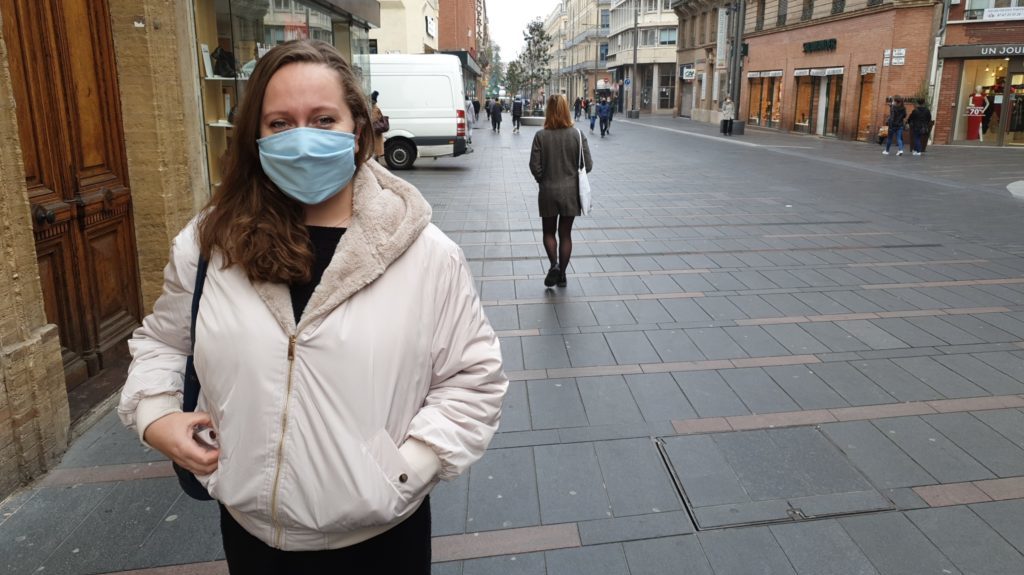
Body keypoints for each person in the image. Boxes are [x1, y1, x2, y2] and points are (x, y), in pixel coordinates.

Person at [119, 39, 507, 573]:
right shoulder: (210, 246)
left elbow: (473, 379)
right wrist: (155, 415)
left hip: (382, 542)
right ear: (255, 137)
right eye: (279, 124)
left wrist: (401, 472)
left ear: (358, 131)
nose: (302, 139)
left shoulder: (427, 255)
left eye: (323, 119)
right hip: (251, 537)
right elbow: (163, 340)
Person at [529, 94, 592, 288]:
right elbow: (587, 165)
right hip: (570, 193)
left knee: (548, 232)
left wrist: (543, 179)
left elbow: (534, 166)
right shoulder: (578, 135)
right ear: (566, 110)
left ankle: (554, 265)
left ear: (548, 111)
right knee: (565, 234)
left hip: (548, 191)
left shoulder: (541, 136)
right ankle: (562, 275)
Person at [370, 90, 386, 161]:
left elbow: (373, 120)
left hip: (375, 133)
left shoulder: (375, 109)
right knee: (374, 153)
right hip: (376, 133)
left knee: (375, 153)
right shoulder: (374, 108)